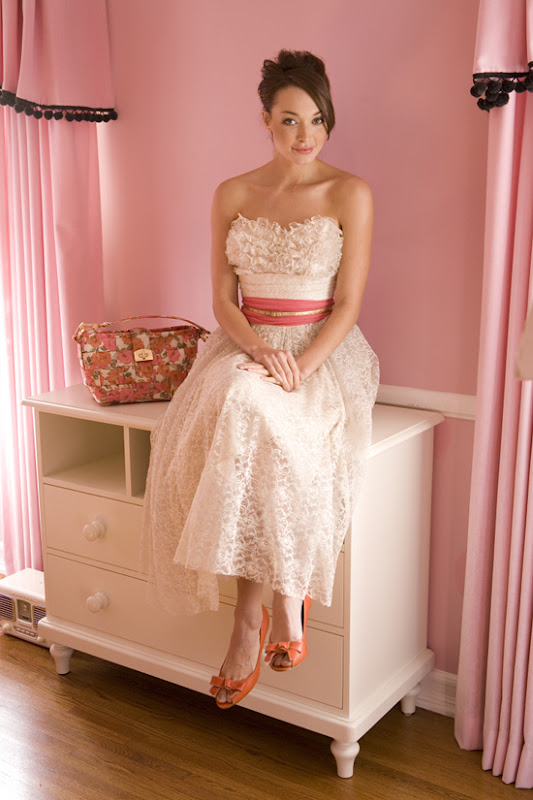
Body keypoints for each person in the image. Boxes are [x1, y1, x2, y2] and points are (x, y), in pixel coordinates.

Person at [142, 49, 379, 709]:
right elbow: (223, 300)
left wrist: (299, 366)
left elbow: (348, 305)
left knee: (256, 411)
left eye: (316, 120)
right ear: (265, 121)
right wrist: (256, 349)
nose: (305, 135)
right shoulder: (233, 193)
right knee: (241, 401)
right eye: (289, 120)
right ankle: (270, 606)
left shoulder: (349, 192)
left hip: (322, 352)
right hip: (246, 345)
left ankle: (263, 610)